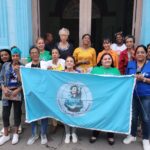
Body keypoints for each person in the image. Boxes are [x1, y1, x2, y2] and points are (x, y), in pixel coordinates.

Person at [89, 53, 120, 145]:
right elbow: (90, 81)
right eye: (105, 59)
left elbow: (120, 84)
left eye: (109, 59)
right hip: (98, 98)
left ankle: (110, 135)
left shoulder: (116, 71)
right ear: (101, 61)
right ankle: (95, 133)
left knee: (111, 116)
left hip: (111, 99)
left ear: (112, 60)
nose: (107, 60)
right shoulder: (95, 70)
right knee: (97, 115)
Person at [123, 45, 150, 150]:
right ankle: (132, 135)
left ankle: (146, 139)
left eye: (142, 52)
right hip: (132, 95)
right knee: (133, 117)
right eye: (138, 52)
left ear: (146, 53)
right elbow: (125, 78)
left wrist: (143, 79)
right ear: (135, 54)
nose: (140, 54)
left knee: (146, 118)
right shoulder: (130, 64)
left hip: (146, 95)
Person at [26, 47, 48, 145]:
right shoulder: (26, 66)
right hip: (32, 94)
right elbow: (24, 80)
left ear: (39, 54)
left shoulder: (45, 64)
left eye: (36, 52)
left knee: (44, 114)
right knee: (33, 114)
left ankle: (43, 134)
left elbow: (49, 77)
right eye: (32, 53)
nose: (34, 54)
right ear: (30, 55)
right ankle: (34, 134)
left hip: (43, 93)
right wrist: (18, 72)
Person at [0, 47, 22, 145]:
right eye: (13, 55)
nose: (15, 57)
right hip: (6, 92)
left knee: (17, 113)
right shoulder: (5, 65)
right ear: (11, 56)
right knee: (5, 114)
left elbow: (24, 82)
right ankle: (6, 135)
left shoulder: (23, 67)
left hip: (17, 92)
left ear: (20, 56)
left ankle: (16, 134)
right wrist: (3, 88)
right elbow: (1, 78)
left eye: (17, 55)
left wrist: (17, 90)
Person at [47, 48, 65, 133]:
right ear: (51, 55)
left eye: (56, 53)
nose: (54, 54)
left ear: (59, 55)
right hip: (52, 88)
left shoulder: (63, 62)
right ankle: (54, 124)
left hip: (62, 87)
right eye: (53, 53)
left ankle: (62, 122)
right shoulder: (48, 63)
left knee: (62, 105)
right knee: (53, 105)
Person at [64, 56, 79, 144]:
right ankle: (67, 134)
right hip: (65, 98)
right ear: (65, 63)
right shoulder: (60, 73)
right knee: (65, 115)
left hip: (75, 98)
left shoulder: (78, 73)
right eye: (67, 61)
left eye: (71, 61)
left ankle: (73, 133)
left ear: (74, 64)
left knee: (74, 115)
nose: (69, 62)